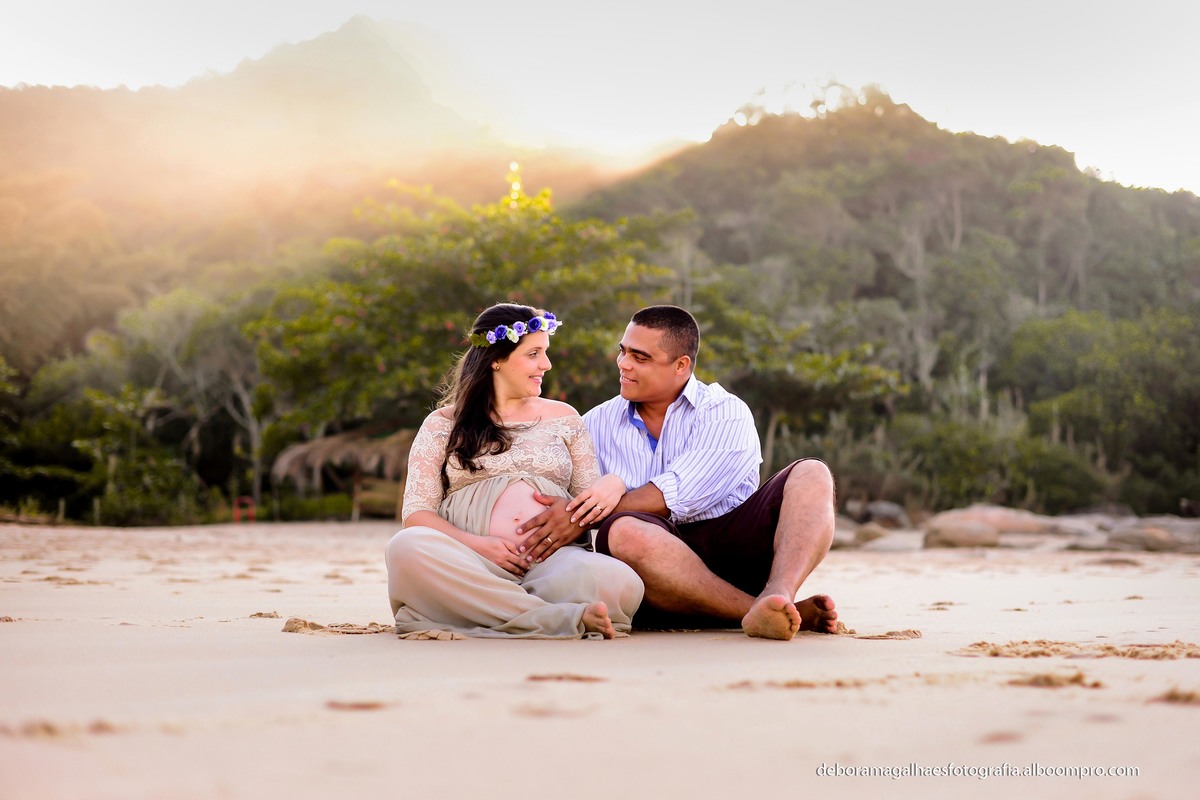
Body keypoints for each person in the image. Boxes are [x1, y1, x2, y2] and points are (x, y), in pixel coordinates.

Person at [515, 305, 838, 640]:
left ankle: (778, 594)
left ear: (681, 365)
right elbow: (567, 495)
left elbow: (677, 494)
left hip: (734, 550)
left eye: (640, 357)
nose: (623, 364)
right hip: (654, 574)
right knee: (625, 531)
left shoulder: (724, 411)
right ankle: (759, 611)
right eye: (623, 352)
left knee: (813, 473)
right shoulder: (595, 423)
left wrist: (582, 515)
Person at [384, 303, 644, 639]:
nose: (546, 365)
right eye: (534, 353)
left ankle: (500, 611)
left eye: (545, 353)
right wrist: (478, 545)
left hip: (552, 565)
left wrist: (614, 482)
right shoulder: (442, 424)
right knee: (406, 547)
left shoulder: (565, 417)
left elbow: (587, 502)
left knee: (620, 582)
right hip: (468, 563)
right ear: (496, 359)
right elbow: (417, 513)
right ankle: (556, 619)